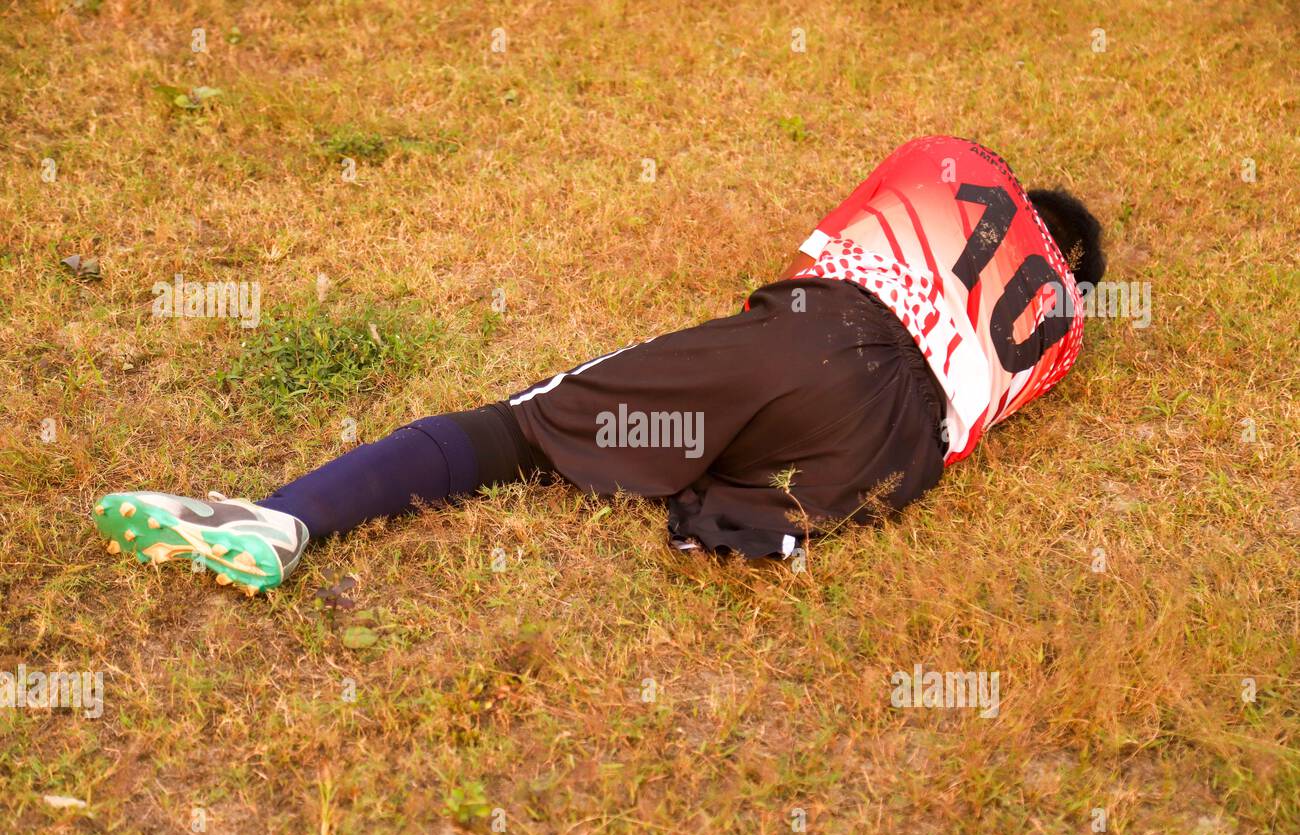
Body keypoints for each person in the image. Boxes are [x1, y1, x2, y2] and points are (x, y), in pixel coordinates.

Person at [93, 136, 1106, 595]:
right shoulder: (1062, 333)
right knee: (742, 471)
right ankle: (743, 516)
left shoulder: (951, 161)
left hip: (825, 337)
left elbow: (804, 269)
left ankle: (283, 519)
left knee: (522, 430)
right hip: (885, 460)